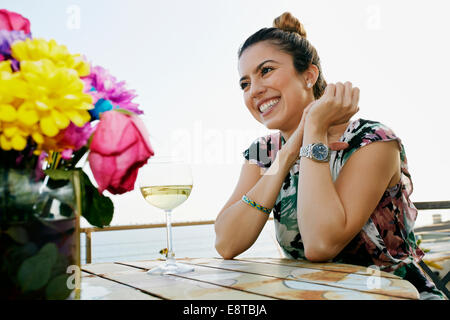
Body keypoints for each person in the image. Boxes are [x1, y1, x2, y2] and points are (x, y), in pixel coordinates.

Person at [214, 12, 446, 300]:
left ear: (309, 76)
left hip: (397, 295)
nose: (255, 90)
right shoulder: (264, 152)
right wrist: (289, 151)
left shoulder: (371, 141)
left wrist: (314, 131)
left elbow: (321, 244)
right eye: (244, 83)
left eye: (266, 71)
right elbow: (227, 243)